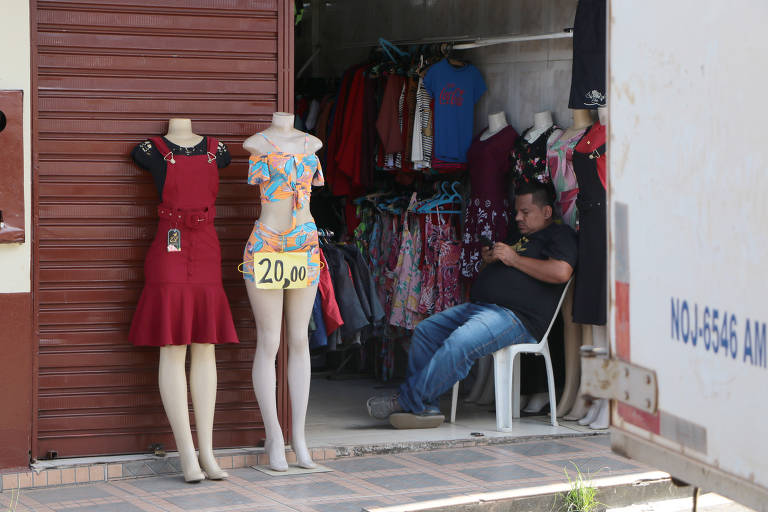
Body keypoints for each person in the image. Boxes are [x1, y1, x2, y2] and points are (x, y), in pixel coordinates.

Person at [366, 181, 577, 426]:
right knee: (425, 331)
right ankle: (426, 406)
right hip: (481, 309)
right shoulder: (518, 235)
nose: (518, 217)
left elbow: (561, 272)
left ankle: (409, 400)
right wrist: (491, 260)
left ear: (547, 212)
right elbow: (507, 268)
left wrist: (514, 258)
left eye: (525, 212)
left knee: (460, 342)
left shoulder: (561, 235)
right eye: (517, 212)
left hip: (516, 317)